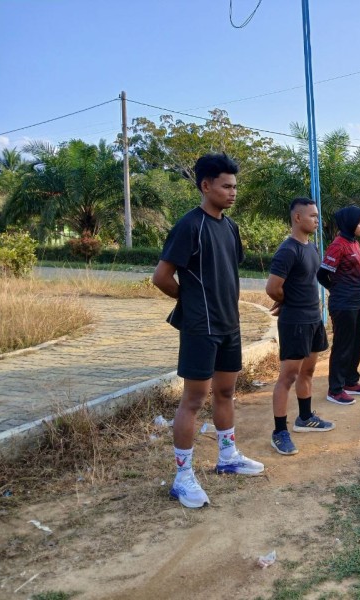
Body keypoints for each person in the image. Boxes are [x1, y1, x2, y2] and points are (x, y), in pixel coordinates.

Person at [152, 153, 264, 509]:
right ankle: (182, 477)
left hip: (230, 324)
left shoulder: (230, 227)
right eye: (226, 186)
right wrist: (191, 303)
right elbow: (161, 277)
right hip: (201, 328)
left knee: (226, 391)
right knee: (194, 399)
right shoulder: (190, 225)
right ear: (205, 185)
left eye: (235, 186)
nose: (233, 192)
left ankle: (227, 457)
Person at [265, 197, 336, 456]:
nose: (317, 220)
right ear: (297, 218)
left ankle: (305, 418)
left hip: (313, 319)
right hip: (295, 321)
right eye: (312, 216)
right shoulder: (288, 250)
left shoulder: (312, 248)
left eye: (317, 215)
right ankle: (279, 432)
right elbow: (272, 288)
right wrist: (289, 302)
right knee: (288, 377)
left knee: (308, 371)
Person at [317, 206, 360, 405]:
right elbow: (321, 275)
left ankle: (350, 381)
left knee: (356, 344)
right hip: (343, 304)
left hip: (357, 302)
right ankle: (335, 389)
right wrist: (337, 289)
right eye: (359, 222)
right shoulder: (338, 245)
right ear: (349, 222)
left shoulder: (354, 243)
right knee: (343, 346)